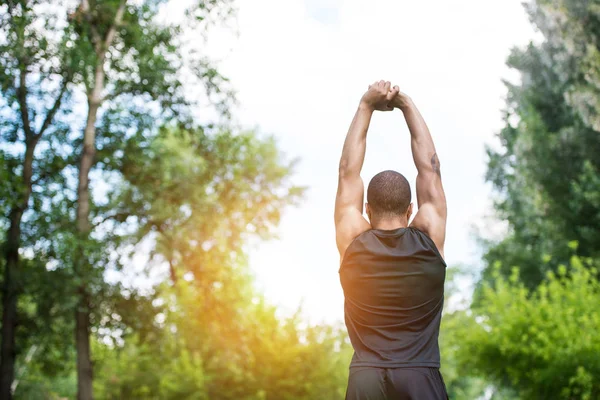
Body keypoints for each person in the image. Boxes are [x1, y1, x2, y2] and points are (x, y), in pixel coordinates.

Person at [335, 80, 448, 399]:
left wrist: (365, 106)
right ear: (411, 209)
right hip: (419, 376)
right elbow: (431, 171)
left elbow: (347, 173)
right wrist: (406, 105)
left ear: (366, 209)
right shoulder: (428, 234)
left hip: (366, 378)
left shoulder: (353, 237)